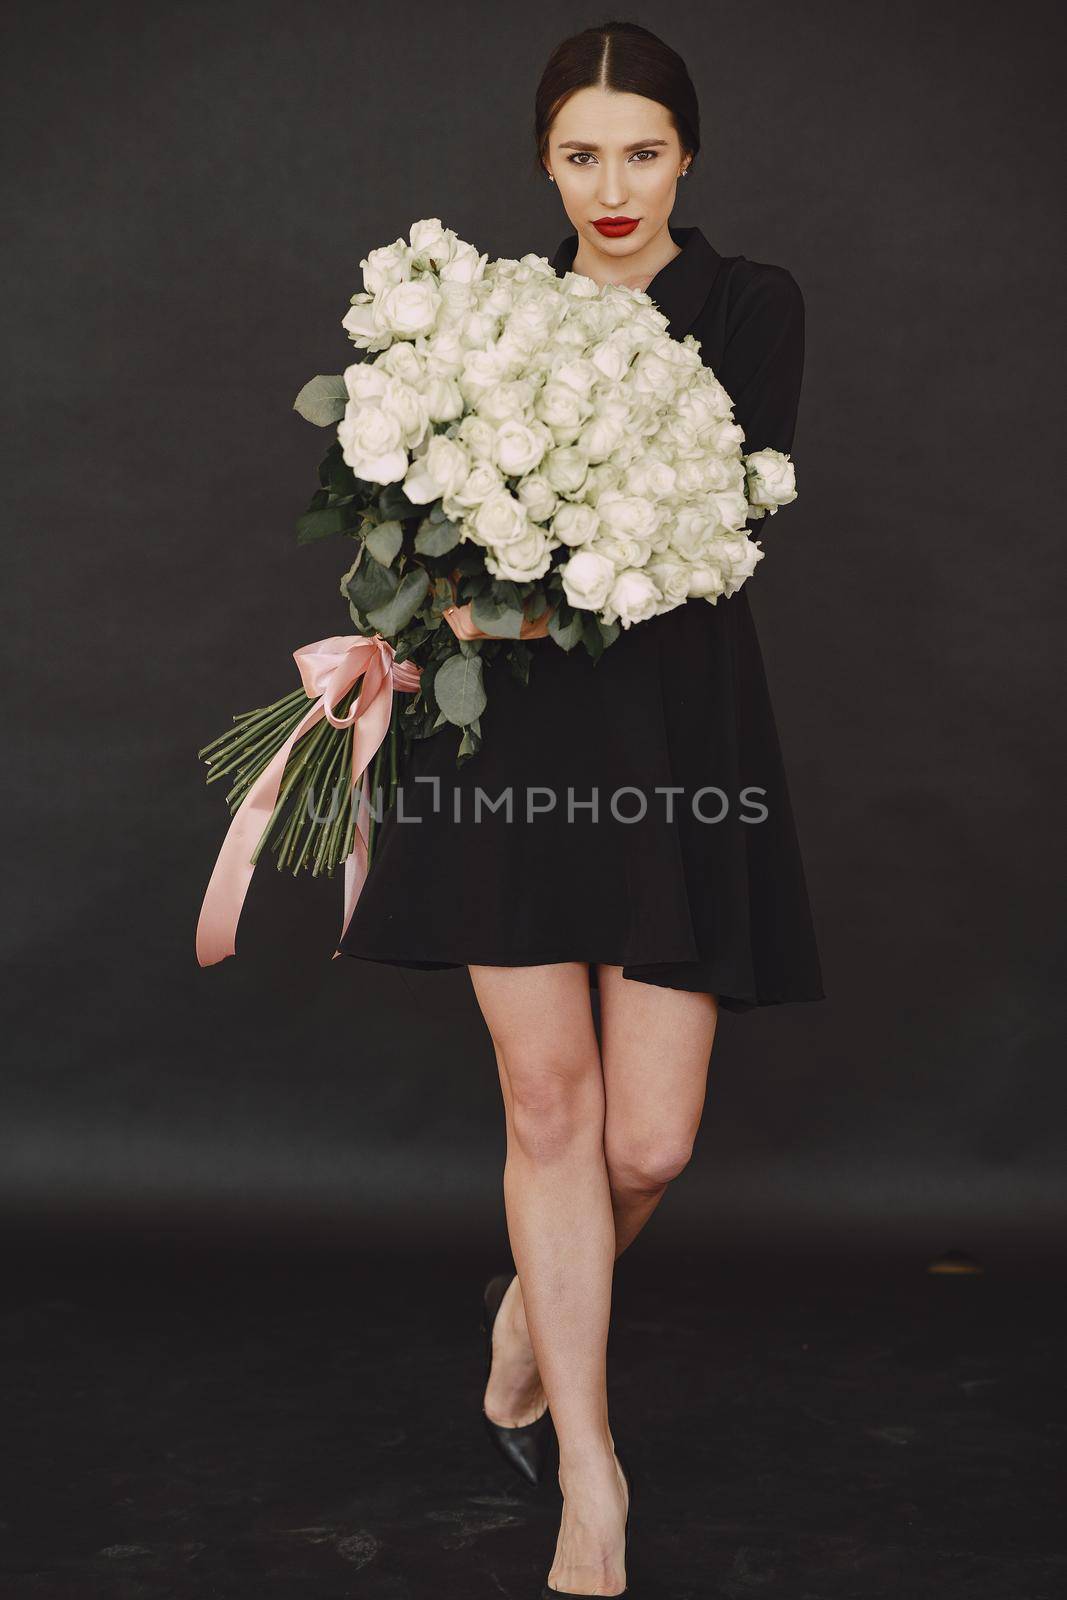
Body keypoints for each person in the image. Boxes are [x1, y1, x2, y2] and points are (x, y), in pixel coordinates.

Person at [340, 20, 825, 1597]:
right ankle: (592, 1481)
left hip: (680, 745)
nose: (609, 187)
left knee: (650, 1138)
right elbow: (415, 530)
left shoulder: (751, 305)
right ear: (542, 162)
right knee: (545, 1112)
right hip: (509, 757)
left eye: (640, 152)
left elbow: (716, 533)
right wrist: (428, 609)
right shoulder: (482, 317)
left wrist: (513, 612)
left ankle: (527, 1317)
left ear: (687, 156)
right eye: (577, 155)